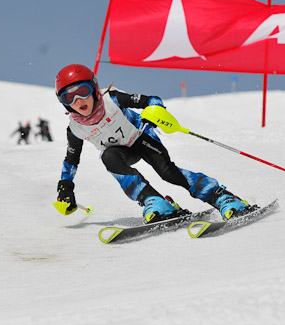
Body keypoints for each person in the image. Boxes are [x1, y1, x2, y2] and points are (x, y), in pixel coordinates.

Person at [54, 64, 254, 224]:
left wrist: (154, 113)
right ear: (64, 103)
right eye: (69, 97)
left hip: (142, 137)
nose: (79, 99)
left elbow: (151, 100)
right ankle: (155, 202)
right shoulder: (75, 129)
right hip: (121, 152)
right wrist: (65, 186)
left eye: (83, 91)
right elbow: (71, 160)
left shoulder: (113, 100)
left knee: (167, 172)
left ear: (95, 89)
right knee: (108, 157)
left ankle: (222, 196)